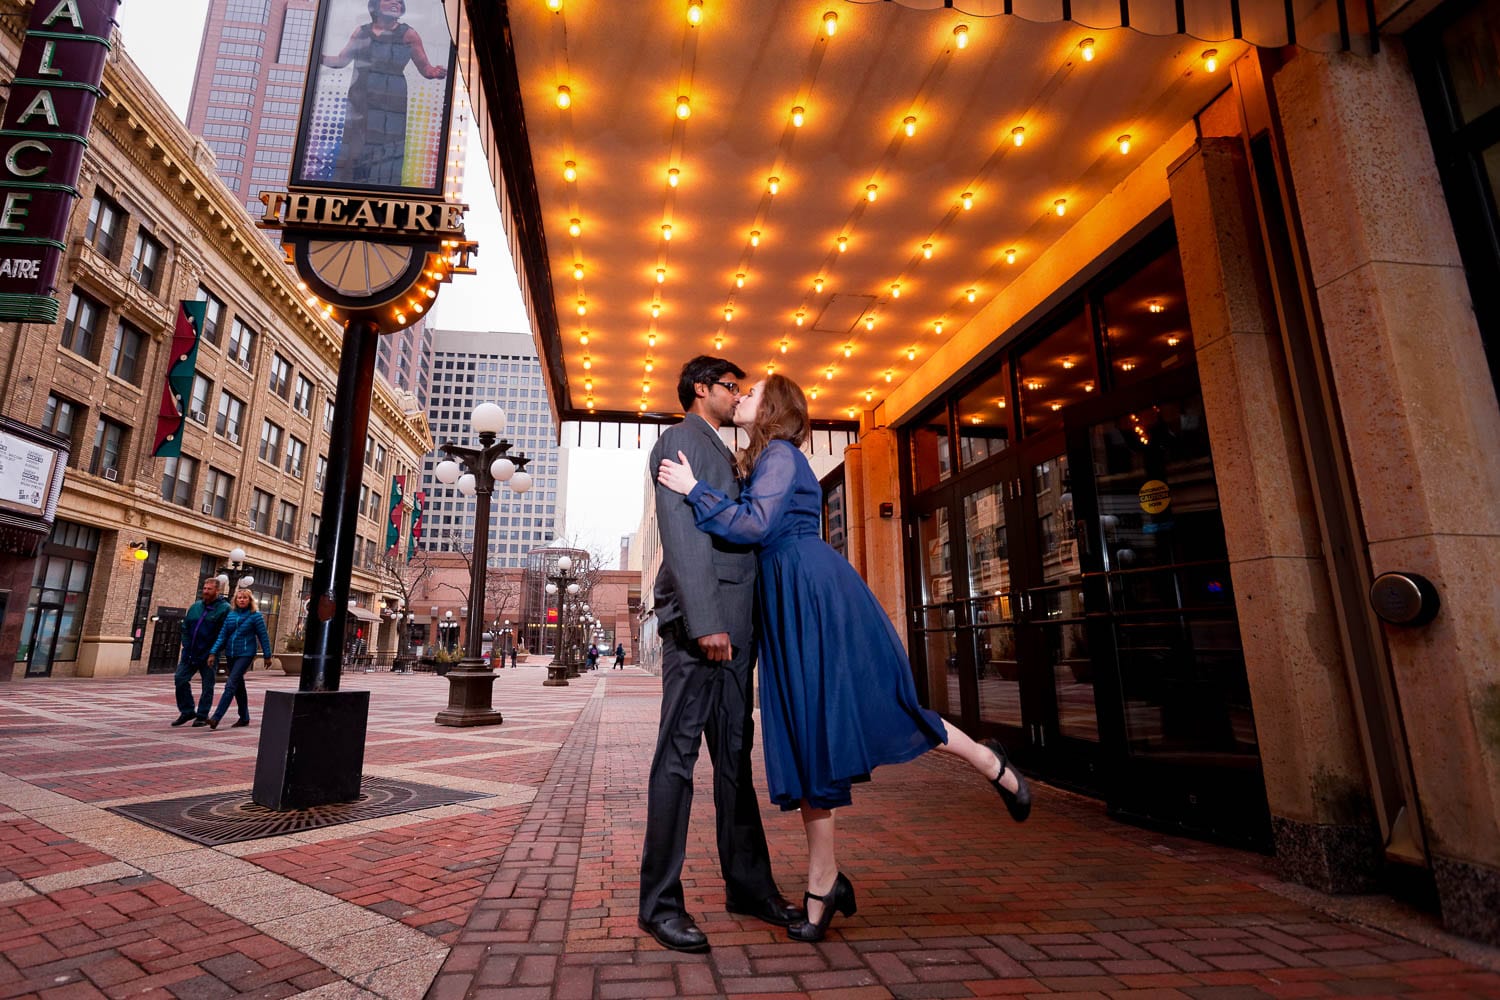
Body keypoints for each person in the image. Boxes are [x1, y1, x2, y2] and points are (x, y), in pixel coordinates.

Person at [658, 374, 1032, 943]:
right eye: (737, 388)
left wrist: (693, 489)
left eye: (752, 392)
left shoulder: (780, 455)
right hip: (787, 604)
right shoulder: (762, 459)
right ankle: (823, 882)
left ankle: (989, 762)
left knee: (878, 708)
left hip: (813, 596)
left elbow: (756, 525)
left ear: (772, 409)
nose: (742, 397)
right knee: (813, 741)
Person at [638, 356, 801, 955]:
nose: (738, 396)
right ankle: (658, 904)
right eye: (731, 386)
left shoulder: (722, 449)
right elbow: (682, 534)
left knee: (734, 760)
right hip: (703, 632)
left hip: (735, 633)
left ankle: (749, 887)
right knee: (677, 763)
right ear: (701, 389)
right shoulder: (679, 441)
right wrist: (706, 621)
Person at [320, 0, 447, 187]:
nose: (396, 3)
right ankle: (347, 188)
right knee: (356, 144)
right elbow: (340, 61)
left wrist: (435, 72)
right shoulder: (361, 32)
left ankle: (383, 190)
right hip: (360, 97)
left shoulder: (409, 34)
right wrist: (317, 57)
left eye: (399, 1)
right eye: (390, 0)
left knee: (388, 147)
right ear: (376, 6)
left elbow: (425, 68)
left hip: (391, 99)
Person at [205, 588, 273, 730]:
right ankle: (244, 717)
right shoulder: (230, 616)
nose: (242, 600)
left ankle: (216, 718)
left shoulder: (256, 616)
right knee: (238, 687)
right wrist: (213, 652)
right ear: (235, 600)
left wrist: (267, 655)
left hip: (246, 654)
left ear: (250, 600)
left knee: (230, 684)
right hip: (231, 654)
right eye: (239, 598)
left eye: (245, 598)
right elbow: (222, 636)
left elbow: (263, 636)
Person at [171, 576, 230, 728]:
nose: (206, 591)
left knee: (207, 685)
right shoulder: (195, 607)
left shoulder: (224, 609)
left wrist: (214, 651)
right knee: (180, 679)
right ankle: (187, 710)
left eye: (209, 589)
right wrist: (186, 643)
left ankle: (202, 715)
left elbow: (224, 633)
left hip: (209, 653)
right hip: (190, 652)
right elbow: (185, 627)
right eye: (204, 588)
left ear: (217, 591)